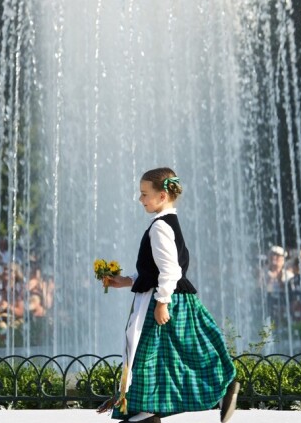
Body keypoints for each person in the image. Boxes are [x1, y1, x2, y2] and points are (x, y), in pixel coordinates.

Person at [97, 168, 238, 423]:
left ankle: (147, 412)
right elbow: (157, 270)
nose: (140, 199)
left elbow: (170, 270)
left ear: (162, 196)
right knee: (177, 353)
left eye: (144, 194)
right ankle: (149, 412)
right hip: (175, 298)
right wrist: (126, 280)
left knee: (147, 357)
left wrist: (162, 303)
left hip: (166, 301)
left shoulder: (160, 227)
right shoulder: (167, 222)